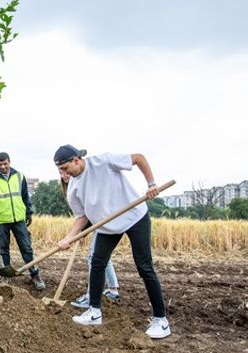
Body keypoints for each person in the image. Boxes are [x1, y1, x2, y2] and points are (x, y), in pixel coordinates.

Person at [54, 145, 171, 339]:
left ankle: (161, 320)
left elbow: (139, 158)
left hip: (134, 216)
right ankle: (94, 311)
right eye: (60, 170)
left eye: (65, 168)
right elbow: (81, 217)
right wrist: (68, 238)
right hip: (107, 226)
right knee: (97, 262)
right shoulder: (73, 189)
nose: (63, 174)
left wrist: (151, 184)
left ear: (76, 160)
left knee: (144, 266)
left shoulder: (104, 161)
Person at [59, 170, 121, 307]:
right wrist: (81, 232)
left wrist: (81, 232)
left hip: (105, 220)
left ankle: (91, 296)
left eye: (66, 172)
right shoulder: (71, 190)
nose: (64, 175)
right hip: (100, 221)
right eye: (61, 173)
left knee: (93, 258)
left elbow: (89, 213)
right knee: (103, 257)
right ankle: (112, 290)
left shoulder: (83, 185)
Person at [0, 152, 45, 290]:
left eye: (5, 164)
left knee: (26, 248)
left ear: (10, 162)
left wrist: (29, 212)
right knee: (4, 250)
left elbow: (25, 196)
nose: (2, 167)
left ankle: (35, 275)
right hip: (1, 219)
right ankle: (6, 276)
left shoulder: (19, 177)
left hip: (19, 219)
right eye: (0, 164)